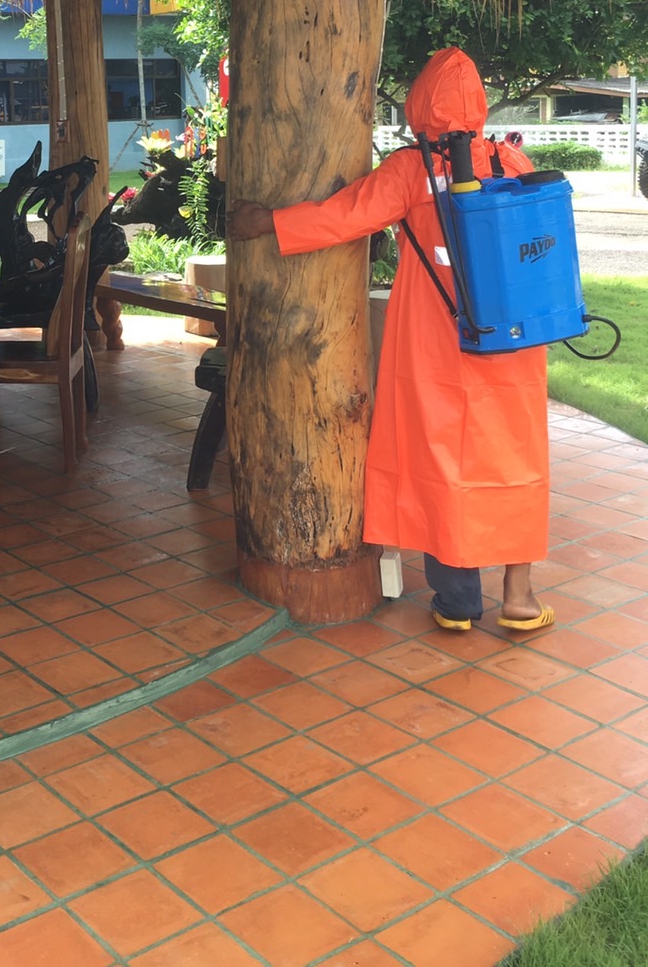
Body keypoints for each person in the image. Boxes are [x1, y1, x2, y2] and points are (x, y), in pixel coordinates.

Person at [226, 47, 554, 633]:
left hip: (436, 341)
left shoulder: (411, 170)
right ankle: (520, 595)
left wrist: (267, 222)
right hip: (513, 341)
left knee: (441, 459)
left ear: (420, 105)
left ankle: (458, 601)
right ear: (478, 107)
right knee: (514, 458)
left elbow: (344, 216)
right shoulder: (511, 159)